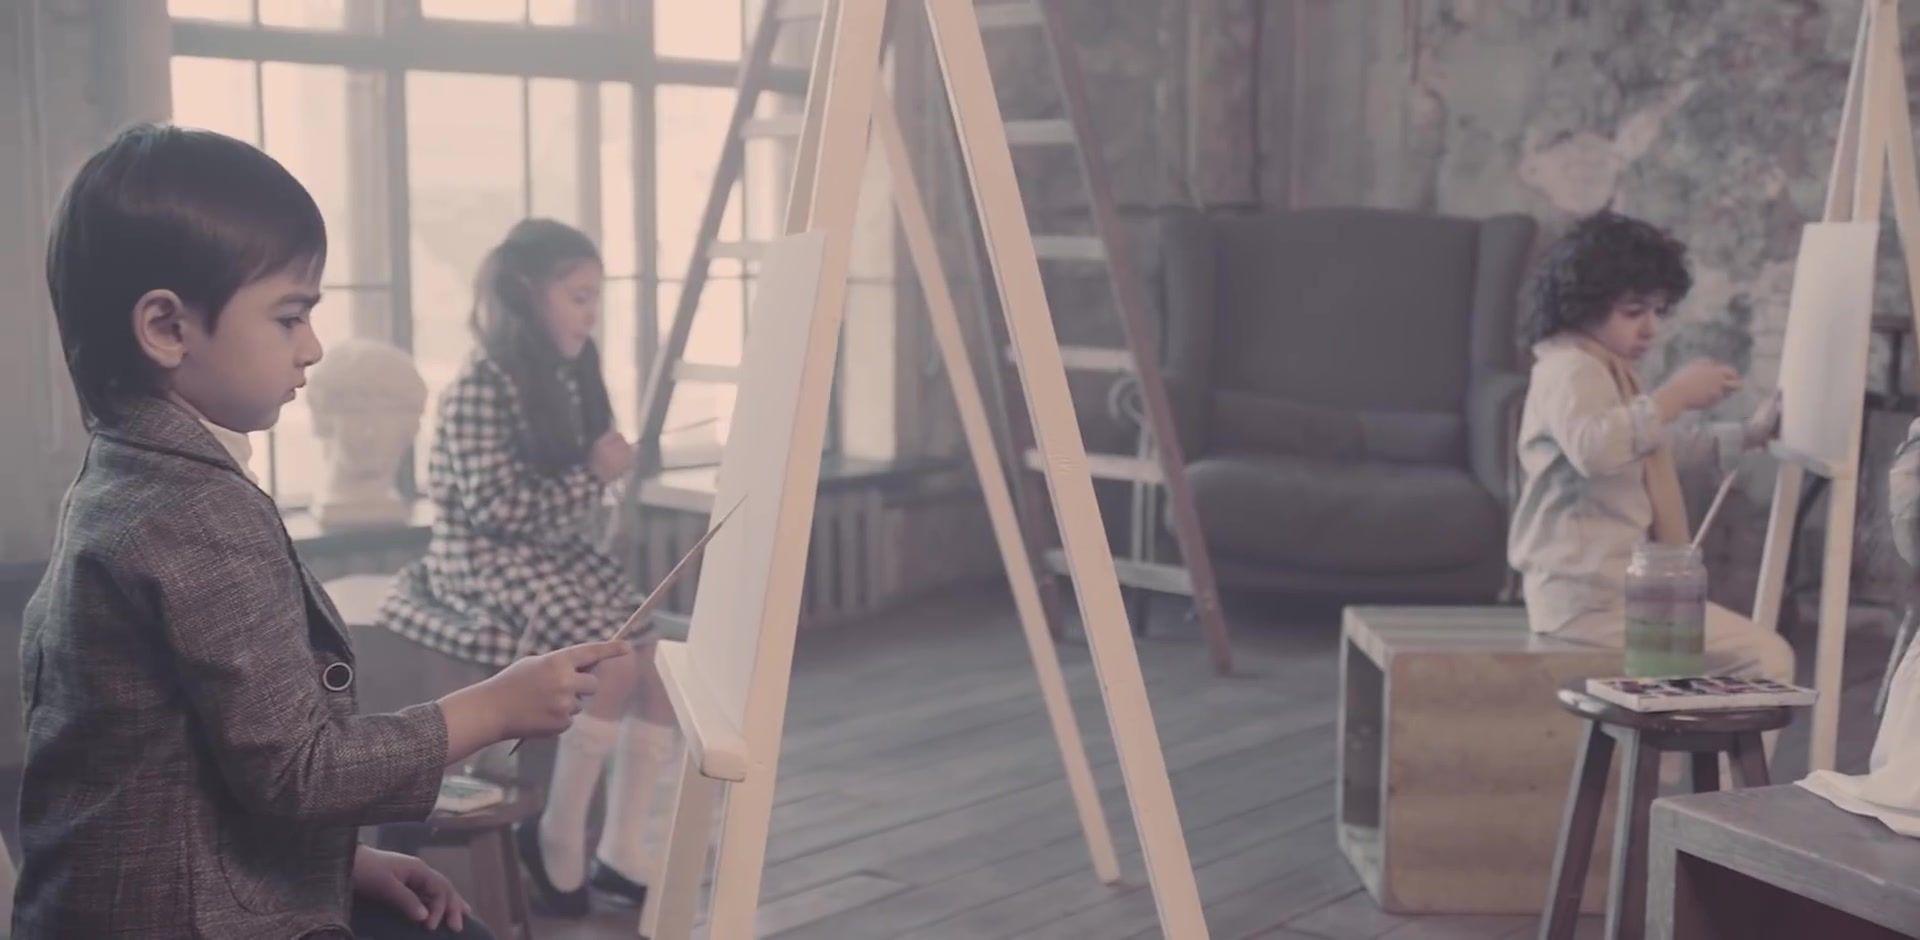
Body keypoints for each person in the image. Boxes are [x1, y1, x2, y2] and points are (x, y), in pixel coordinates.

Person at [18, 123, 629, 940]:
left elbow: (185, 766)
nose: (311, 348)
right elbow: (300, 768)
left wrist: (342, 864)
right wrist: (494, 708)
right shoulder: (193, 512)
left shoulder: (126, 472)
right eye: (289, 318)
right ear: (166, 328)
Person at [379, 219, 677, 916]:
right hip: (483, 559)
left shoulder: (567, 375)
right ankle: (557, 840)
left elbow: (562, 511)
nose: (591, 313)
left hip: (550, 555)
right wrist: (592, 474)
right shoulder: (480, 384)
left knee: (659, 667)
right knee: (613, 664)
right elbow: (498, 512)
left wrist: (599, 476)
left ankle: (621, 851)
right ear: (525, 293)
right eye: (578, 296)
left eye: (596, 297)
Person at [1507, 210, 1794, 683]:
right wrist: (1675, 395)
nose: (1650, 329)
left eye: (1657, 311)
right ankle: (1704, 737)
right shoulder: (1570, 369)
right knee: (1766, 657)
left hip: (1606, 594)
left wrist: (1748, 434)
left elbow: (1651, 450)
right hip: (1586, 601)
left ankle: (1683, 735)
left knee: (1753, 654)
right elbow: (1598, 449)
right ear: (1583, 304)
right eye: (1633, 311)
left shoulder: (1602, 368)